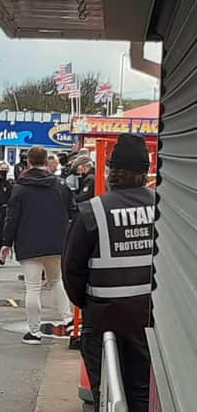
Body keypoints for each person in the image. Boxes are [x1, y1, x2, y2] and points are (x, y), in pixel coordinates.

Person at [63, 134, 154, 412]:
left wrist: (88, 306)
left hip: (103, 320)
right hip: (149, 319)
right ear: (145, 172)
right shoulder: (162, 209)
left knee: (107, 394)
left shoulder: (92, 212)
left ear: (111, 172)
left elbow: (72, 272)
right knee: (143, 392)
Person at [0, 146, 75, 345]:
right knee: (56, 281)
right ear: (45, 161)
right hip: (56, 243)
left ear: (28, 162)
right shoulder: (60, 185)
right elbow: (73, 212)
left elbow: (12, 218)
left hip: (29, 244)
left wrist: (6, 243)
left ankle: (34, 332)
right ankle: (68, 320)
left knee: (32, 289)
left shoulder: (20, 187)